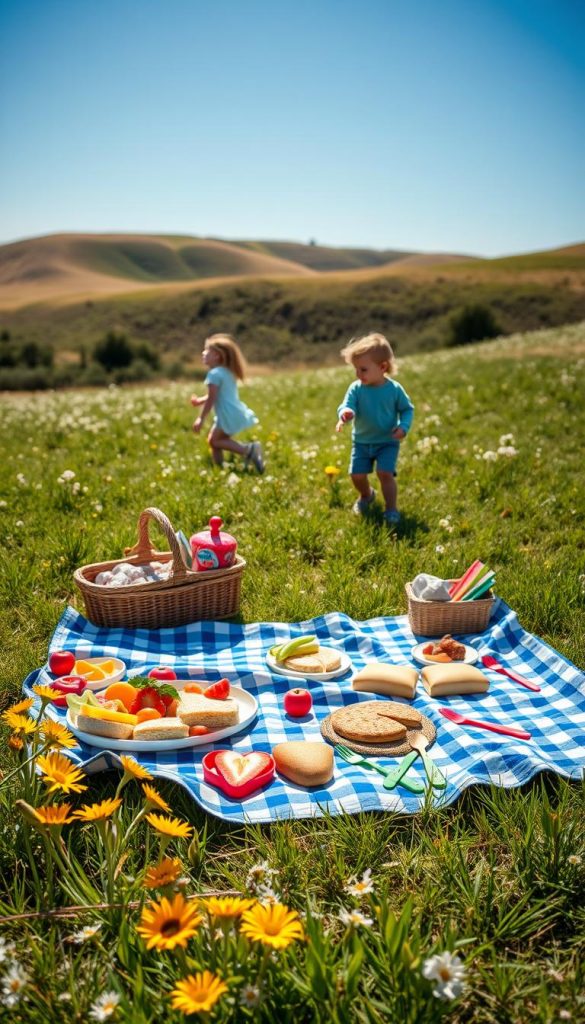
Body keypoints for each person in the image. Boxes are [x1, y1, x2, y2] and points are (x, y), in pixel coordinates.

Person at [336, 332, 414, 525]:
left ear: (382, 367)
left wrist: (403, 427)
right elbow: (347, 404)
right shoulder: (356, 388)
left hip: (387, 441)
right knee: (357, 475)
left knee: (385, 474)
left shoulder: (394, 390)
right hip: (362, 442)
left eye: (363, 369)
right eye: (356, 369)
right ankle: (367, 495)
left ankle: (391, 509)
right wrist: (345, 413)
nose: (358, 374)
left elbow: (407, 410)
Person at [190, 333, 264, 472]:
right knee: (214, 441)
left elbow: (212, 399)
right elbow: (216, 395)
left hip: (227, 414)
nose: (203, 353)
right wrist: (200, 400)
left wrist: (201, 418)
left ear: (217, 355)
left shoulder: (214, 374)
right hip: (233, 411)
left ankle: (249, 450)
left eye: (207, 351)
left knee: (215, 441)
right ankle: (219, 469)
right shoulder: (226, 372)